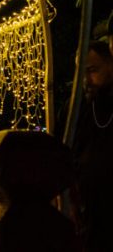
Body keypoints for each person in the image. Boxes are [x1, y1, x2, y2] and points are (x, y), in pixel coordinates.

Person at [73, 39, 113, 251]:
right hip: (90, 213)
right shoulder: (81, 110)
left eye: (92, 70)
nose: (86, 80)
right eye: (81, 73)